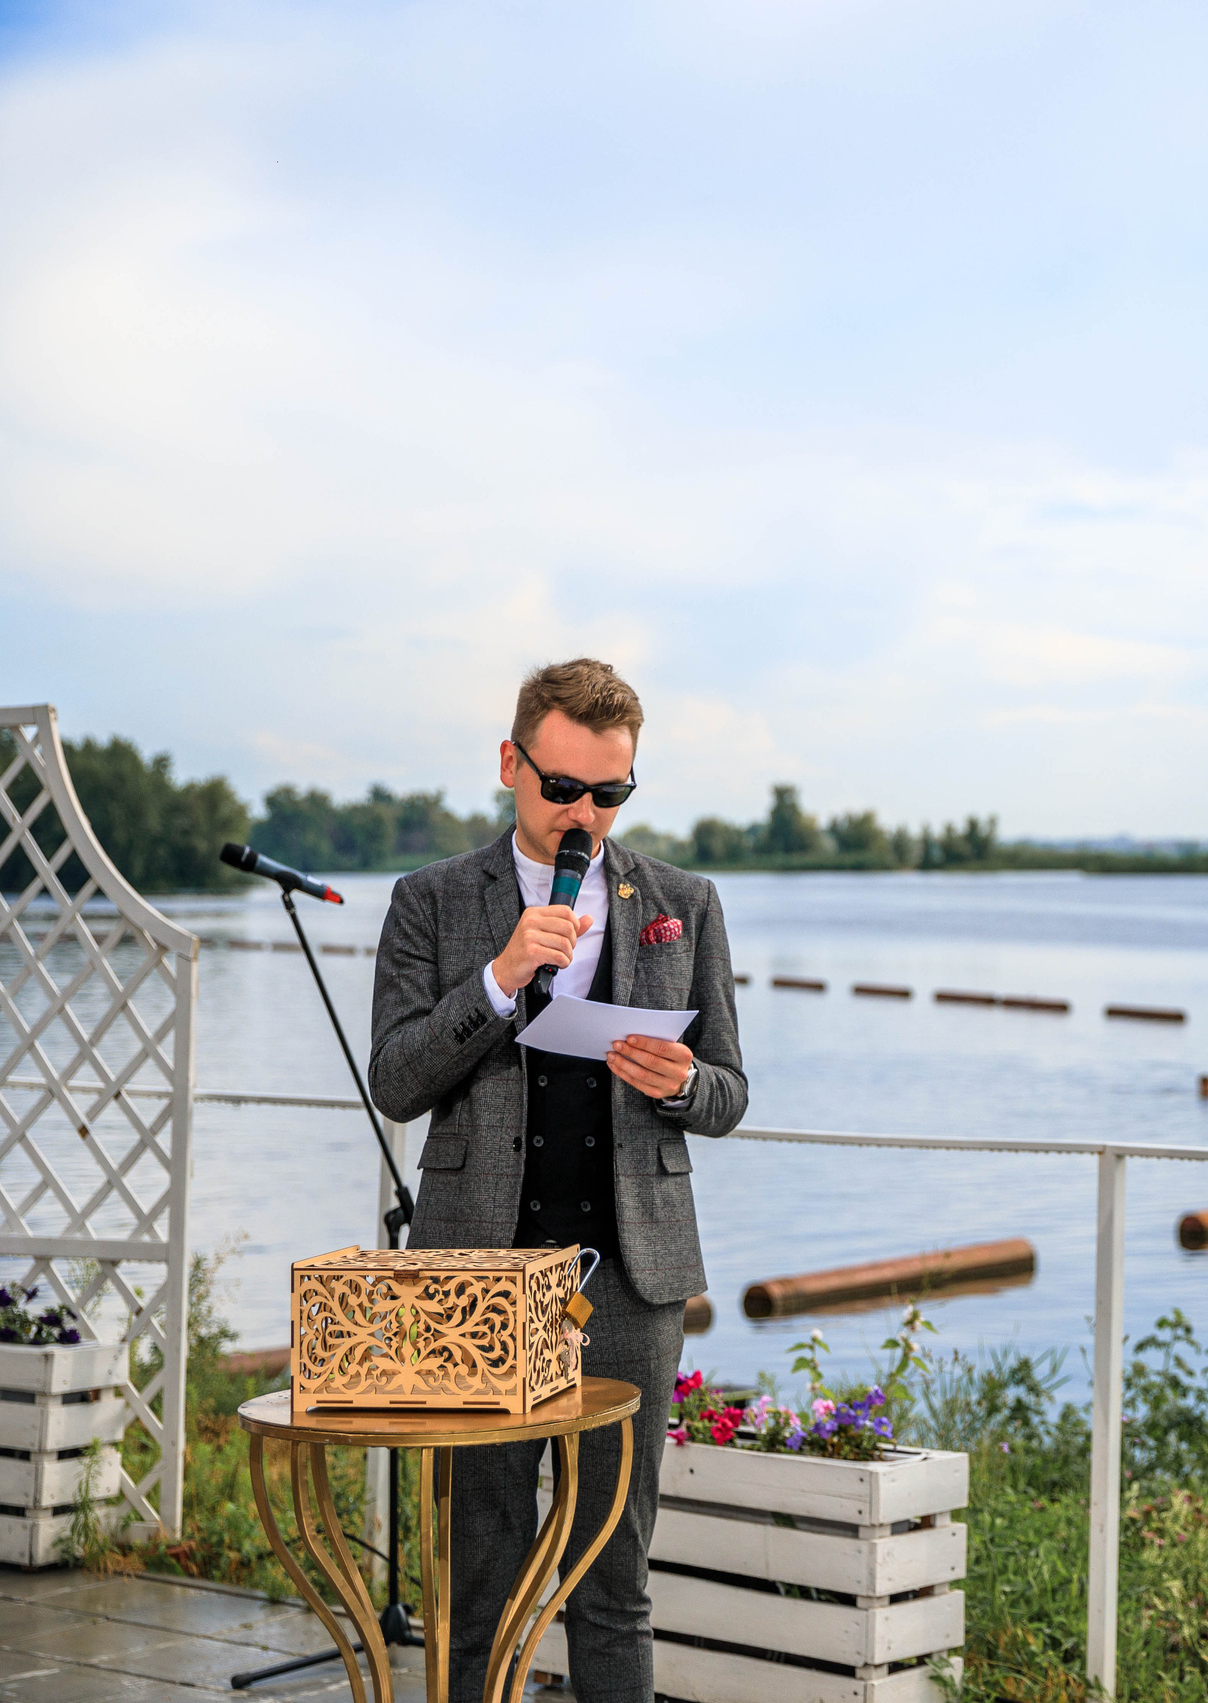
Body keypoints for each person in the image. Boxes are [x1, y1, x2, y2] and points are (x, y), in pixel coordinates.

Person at [369, 657, 746, 1702]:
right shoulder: (432, 901)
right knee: (481, 1568)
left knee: (614, 1579)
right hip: (476, 1276)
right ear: (509, 764)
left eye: (610, 793)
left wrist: (681, 1084)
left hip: (627, 1277)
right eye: (562, 787)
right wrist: (495, 980)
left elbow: (730, 1092)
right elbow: (397, 1083)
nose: (584, 814)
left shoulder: (685, 903)